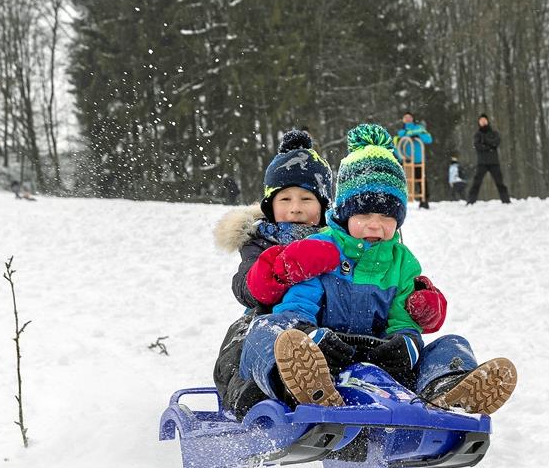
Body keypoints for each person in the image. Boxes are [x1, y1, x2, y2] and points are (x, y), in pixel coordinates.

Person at [237, 123, 516, 415]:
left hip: (377, 358)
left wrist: (404, 344)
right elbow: (296, 306)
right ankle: (300, 387)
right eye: (364, 214)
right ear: (344, 213)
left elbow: (403, 319)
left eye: (386, 216)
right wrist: (310, 336)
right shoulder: (321, 249)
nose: (375, 224)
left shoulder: (402, 262)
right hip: (324, 355)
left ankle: (446, 391)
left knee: (453, 345)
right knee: (271, 330)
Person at [211, 128, 450, 417]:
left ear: (326, 205)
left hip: (344, 340)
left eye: (306, 200)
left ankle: (448, 387)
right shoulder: (262, 240)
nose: (296, 209)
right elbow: (249, 289)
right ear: (269, 204)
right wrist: (285, 267)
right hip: (278, 324)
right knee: (252, 339)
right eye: (285, 200)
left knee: (449, 346)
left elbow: (400, 307)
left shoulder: (348, 245)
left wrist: (419, 310)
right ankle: (264, 393)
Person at [468, 113, 510, 204]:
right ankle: (470, 202)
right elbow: (478, 146)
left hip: (494, 162)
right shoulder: (477, 134)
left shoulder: (494, 133)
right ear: (479, 122)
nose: (483, 122)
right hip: (482, 163)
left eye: (484, 120)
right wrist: (489, 146)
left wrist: (485, 141)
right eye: (481, 121)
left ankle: (506, 201)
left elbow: (496, 142)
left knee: (500, 183)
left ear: (487, 121)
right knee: (476, 183)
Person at [394, 111, 433, 209]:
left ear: (412, 118)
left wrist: (418, 136)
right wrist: (399, 157)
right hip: (405, 160)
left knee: (422, 180)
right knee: (403, 181)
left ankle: (424, 200)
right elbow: (395, 146)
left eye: (409, 117)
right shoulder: (400, 132)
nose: (407, 119)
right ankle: (401, 201)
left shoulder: (419, 129)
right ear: (403, 120)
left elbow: (428, 139)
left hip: (418, 159)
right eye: (405, 117)